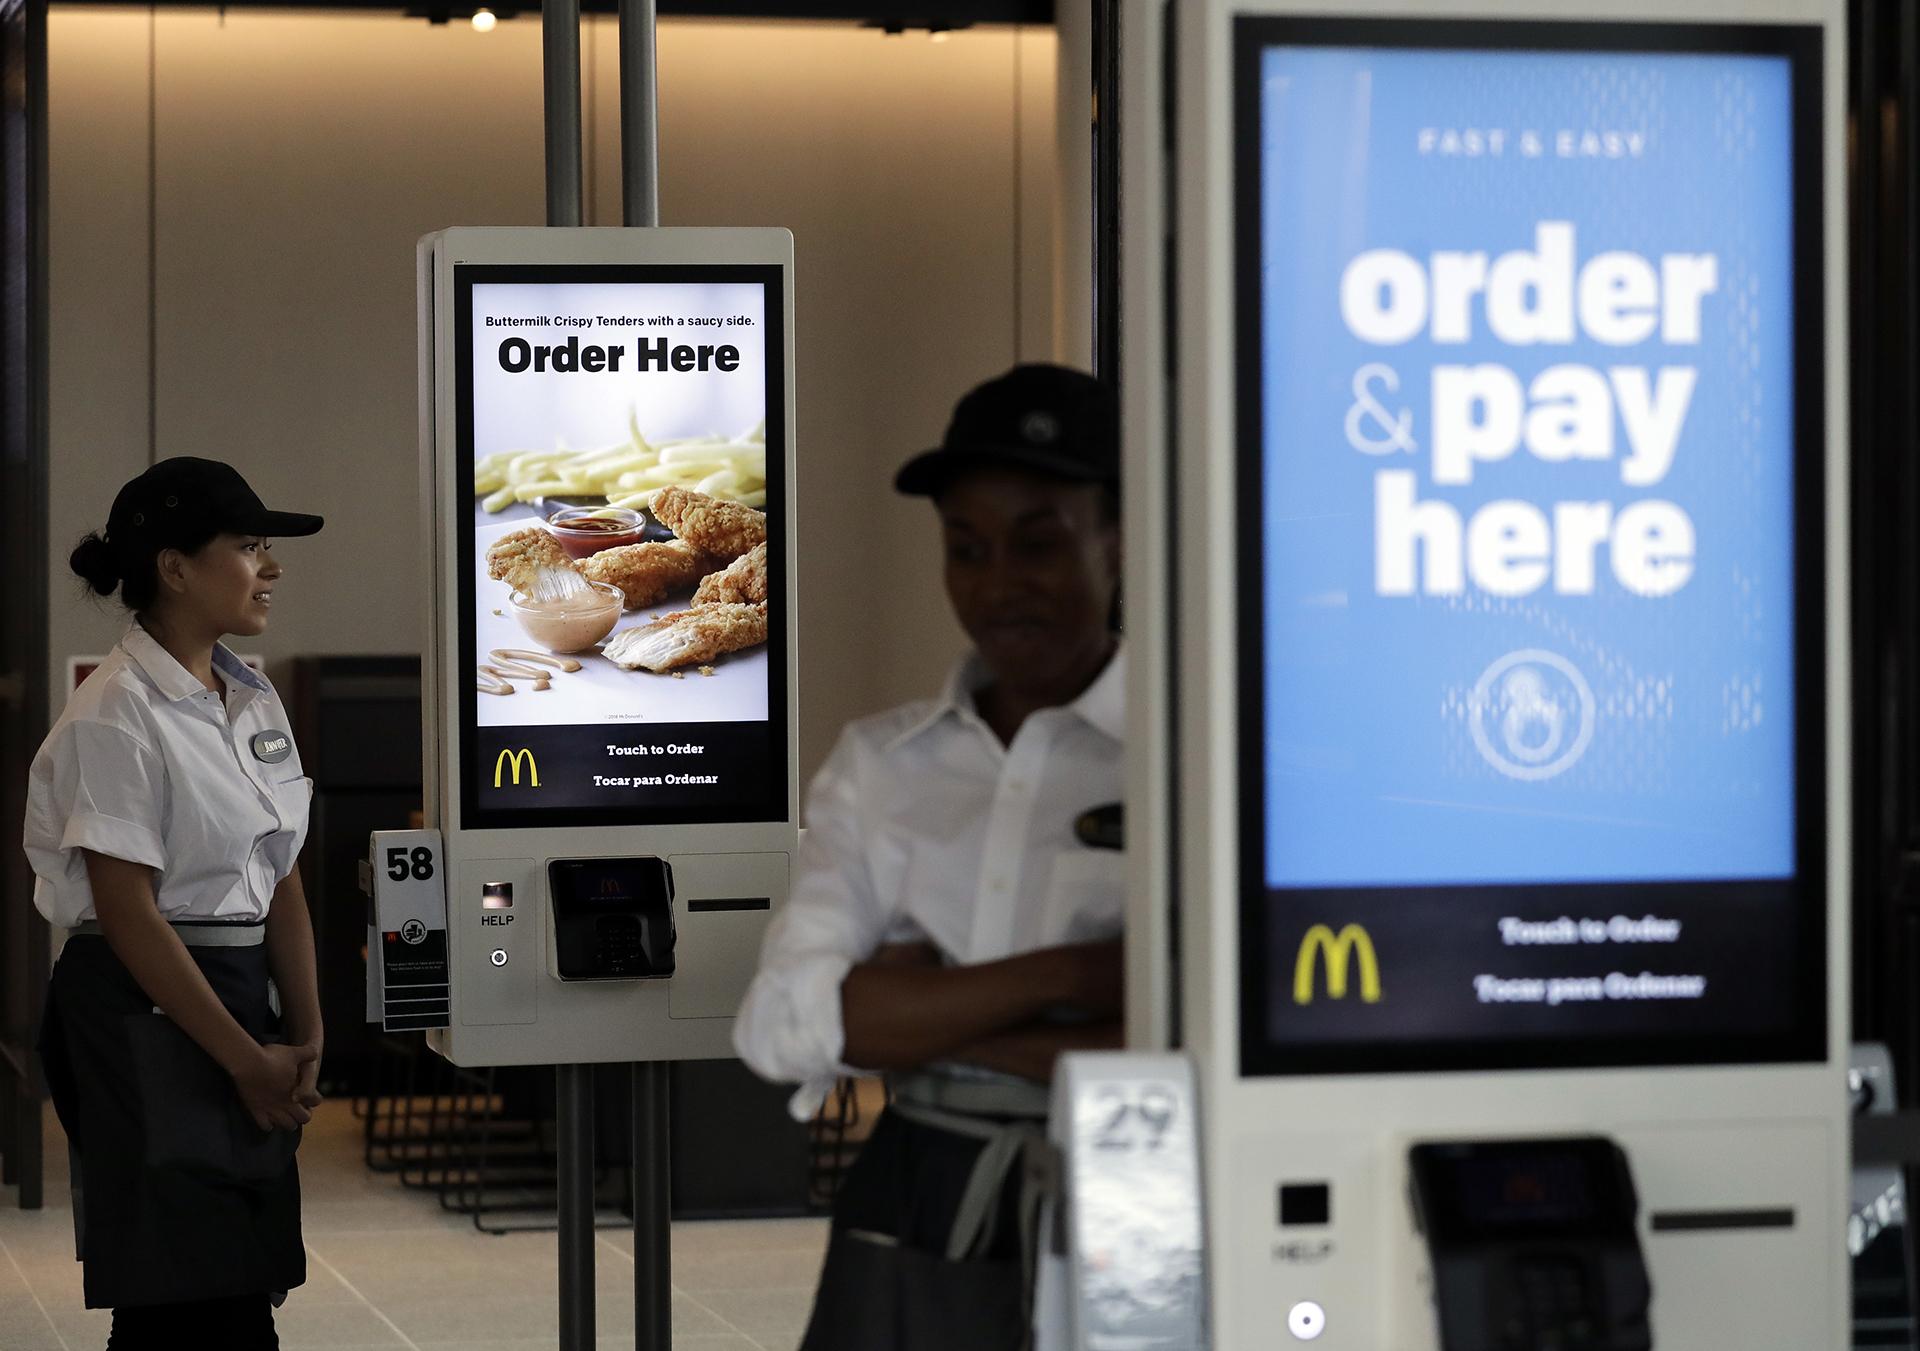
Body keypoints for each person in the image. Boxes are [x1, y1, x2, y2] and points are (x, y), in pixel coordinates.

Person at [734, 364, 1126, 1350]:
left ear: (1121, 539)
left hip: (1137, 1203)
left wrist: (912, 1015)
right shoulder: (885, 764)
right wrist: (1075, 976)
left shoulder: (1201, 756)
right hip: (918, 1202)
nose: (1000, 583)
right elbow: (782, 1024)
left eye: (1040, 543)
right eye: (967, 549)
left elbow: (1196, 1042)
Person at [25, 457, 326, 1350]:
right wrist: (243, 1057)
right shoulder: (115, 712)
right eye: (247, 545)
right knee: (180, 1290)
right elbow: (128, 916)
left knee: (241, 1272)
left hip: (236, 994)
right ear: (174, 566)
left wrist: (305, 1031)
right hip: (143, 1004)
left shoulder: (249, 694)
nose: (269, 566)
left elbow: (284, 874)